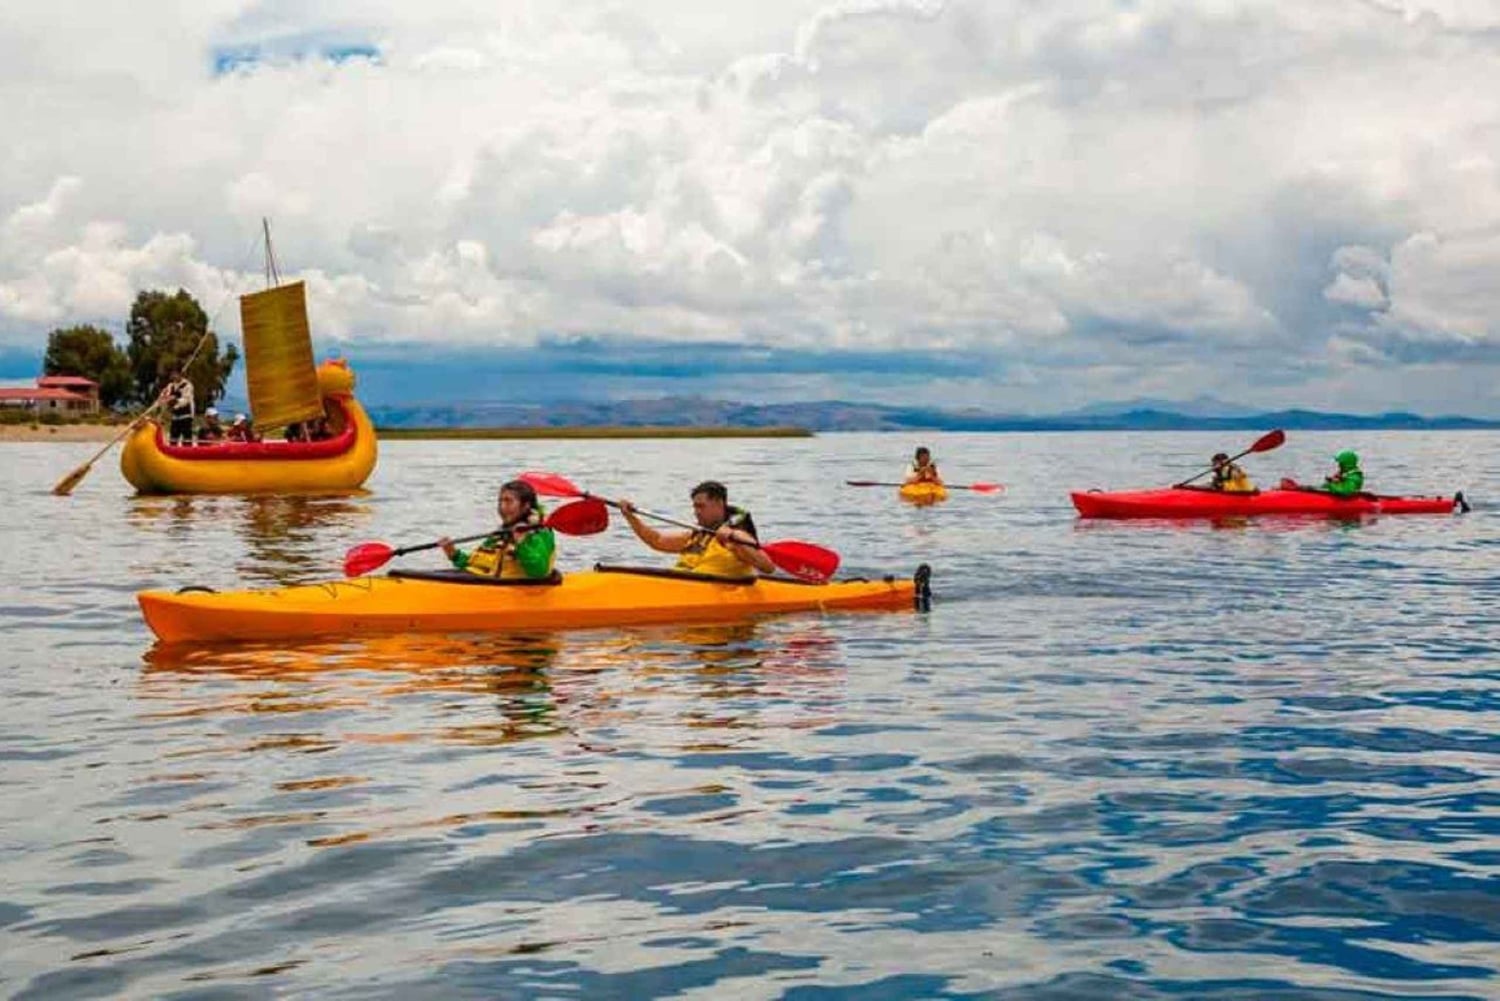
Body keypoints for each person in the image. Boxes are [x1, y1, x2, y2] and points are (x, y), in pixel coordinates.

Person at [619, 480, 774, 577]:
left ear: (719, 504)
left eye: (701, 506)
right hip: (681, 586)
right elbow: (657, 540)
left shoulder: (737, 536)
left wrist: (734, 538)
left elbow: (767, 567)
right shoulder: (696, 535)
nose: (696, 512)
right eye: (695, 507)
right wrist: (630, 517)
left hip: (718, 593)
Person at [439, 480, 557, 579]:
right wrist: (454, 554)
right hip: (487, 587)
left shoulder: (540, 533)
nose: (502, 507)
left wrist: (522, 543)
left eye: (508, 501)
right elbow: (477, 567)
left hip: (518, 594)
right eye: (500, 501)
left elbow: (538, 572)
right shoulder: (500, 534)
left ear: (526, 506)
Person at [159, 368, 194, 446]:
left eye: (175, 374)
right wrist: (164, 397)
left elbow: (186, 400)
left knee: (187, 440)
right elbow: (165, 396)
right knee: (173, 439)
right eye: (172, 374)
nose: (174, 376)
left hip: (186, 416)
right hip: (175, 417)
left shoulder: (188, 385)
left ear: (180, 374)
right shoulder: (170, 386)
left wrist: (175, 400)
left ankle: (187, 454)